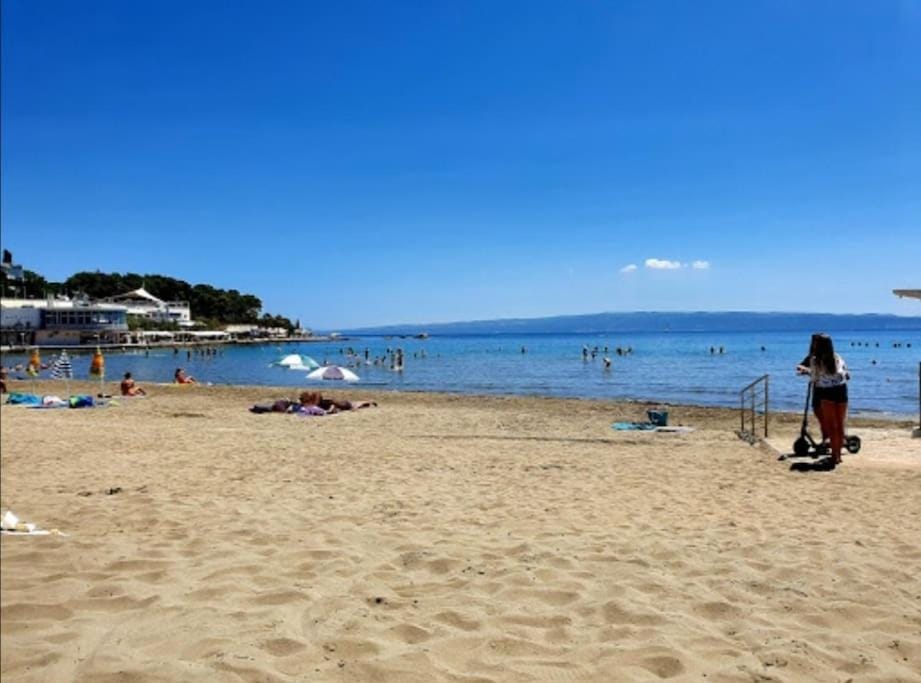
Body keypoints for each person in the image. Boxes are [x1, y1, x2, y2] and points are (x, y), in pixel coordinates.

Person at [797, 333, 849, 466]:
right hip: (841, 390)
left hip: (826, 391)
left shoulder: (816, 359)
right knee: (840, 423)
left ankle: (834, 456)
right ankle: (838, 456)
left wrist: (806, 372)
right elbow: (846, 373)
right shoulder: (836, 356)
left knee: (831, 425)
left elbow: (814, 377)